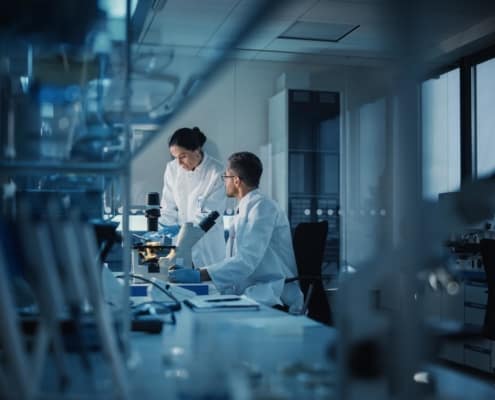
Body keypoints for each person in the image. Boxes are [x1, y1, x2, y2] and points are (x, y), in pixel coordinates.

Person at [169, 151, 304, 313]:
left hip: (273, 295)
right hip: (252, 291)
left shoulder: (262, 207)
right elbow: (236, 262)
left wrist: (199, 274)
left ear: (237, 180)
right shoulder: (244, 208)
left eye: (225, 177)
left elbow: (246, 261)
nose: (224, 182)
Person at [160, 127, 226, 268]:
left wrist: (181, 228)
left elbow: (209, 215)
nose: (179, 163)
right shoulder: (172, 169)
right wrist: (163, 226)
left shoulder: (217, 172)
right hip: (180, 246)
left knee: (208, 285)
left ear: (197, 150)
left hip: (207, 246)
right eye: (175, 158)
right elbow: (168, 206)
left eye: (182, 156)